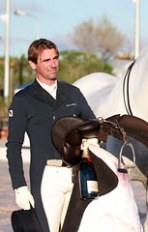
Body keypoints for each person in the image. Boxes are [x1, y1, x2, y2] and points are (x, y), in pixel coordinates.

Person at [6, 38, 96, 232]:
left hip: (77, 175)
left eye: (55, 58)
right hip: (46, 178)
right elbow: (13, 146)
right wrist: (19, 186)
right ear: (33, 64)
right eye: (46, 60)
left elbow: (93, 126)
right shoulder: (23, 100)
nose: (54, 64)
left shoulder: (74, 93)